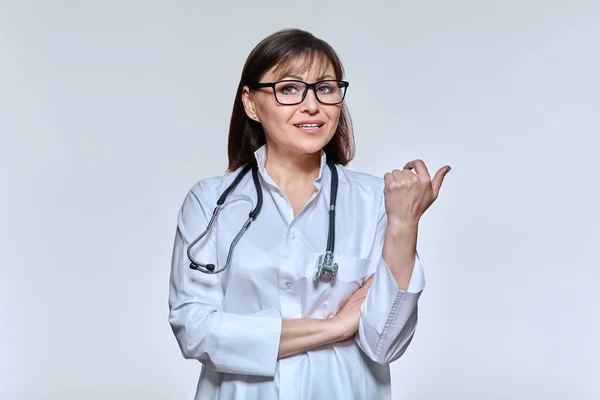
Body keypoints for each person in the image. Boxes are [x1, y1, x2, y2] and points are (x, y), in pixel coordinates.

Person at [168, 28, 450, 400]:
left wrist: (404, 223)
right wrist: (337, 326)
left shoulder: (375, 201)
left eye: (326, 88)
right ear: (251, 103)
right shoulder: (210, 202)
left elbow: (384, 344)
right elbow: (196, 331)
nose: (312, 105)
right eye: (289, 88)